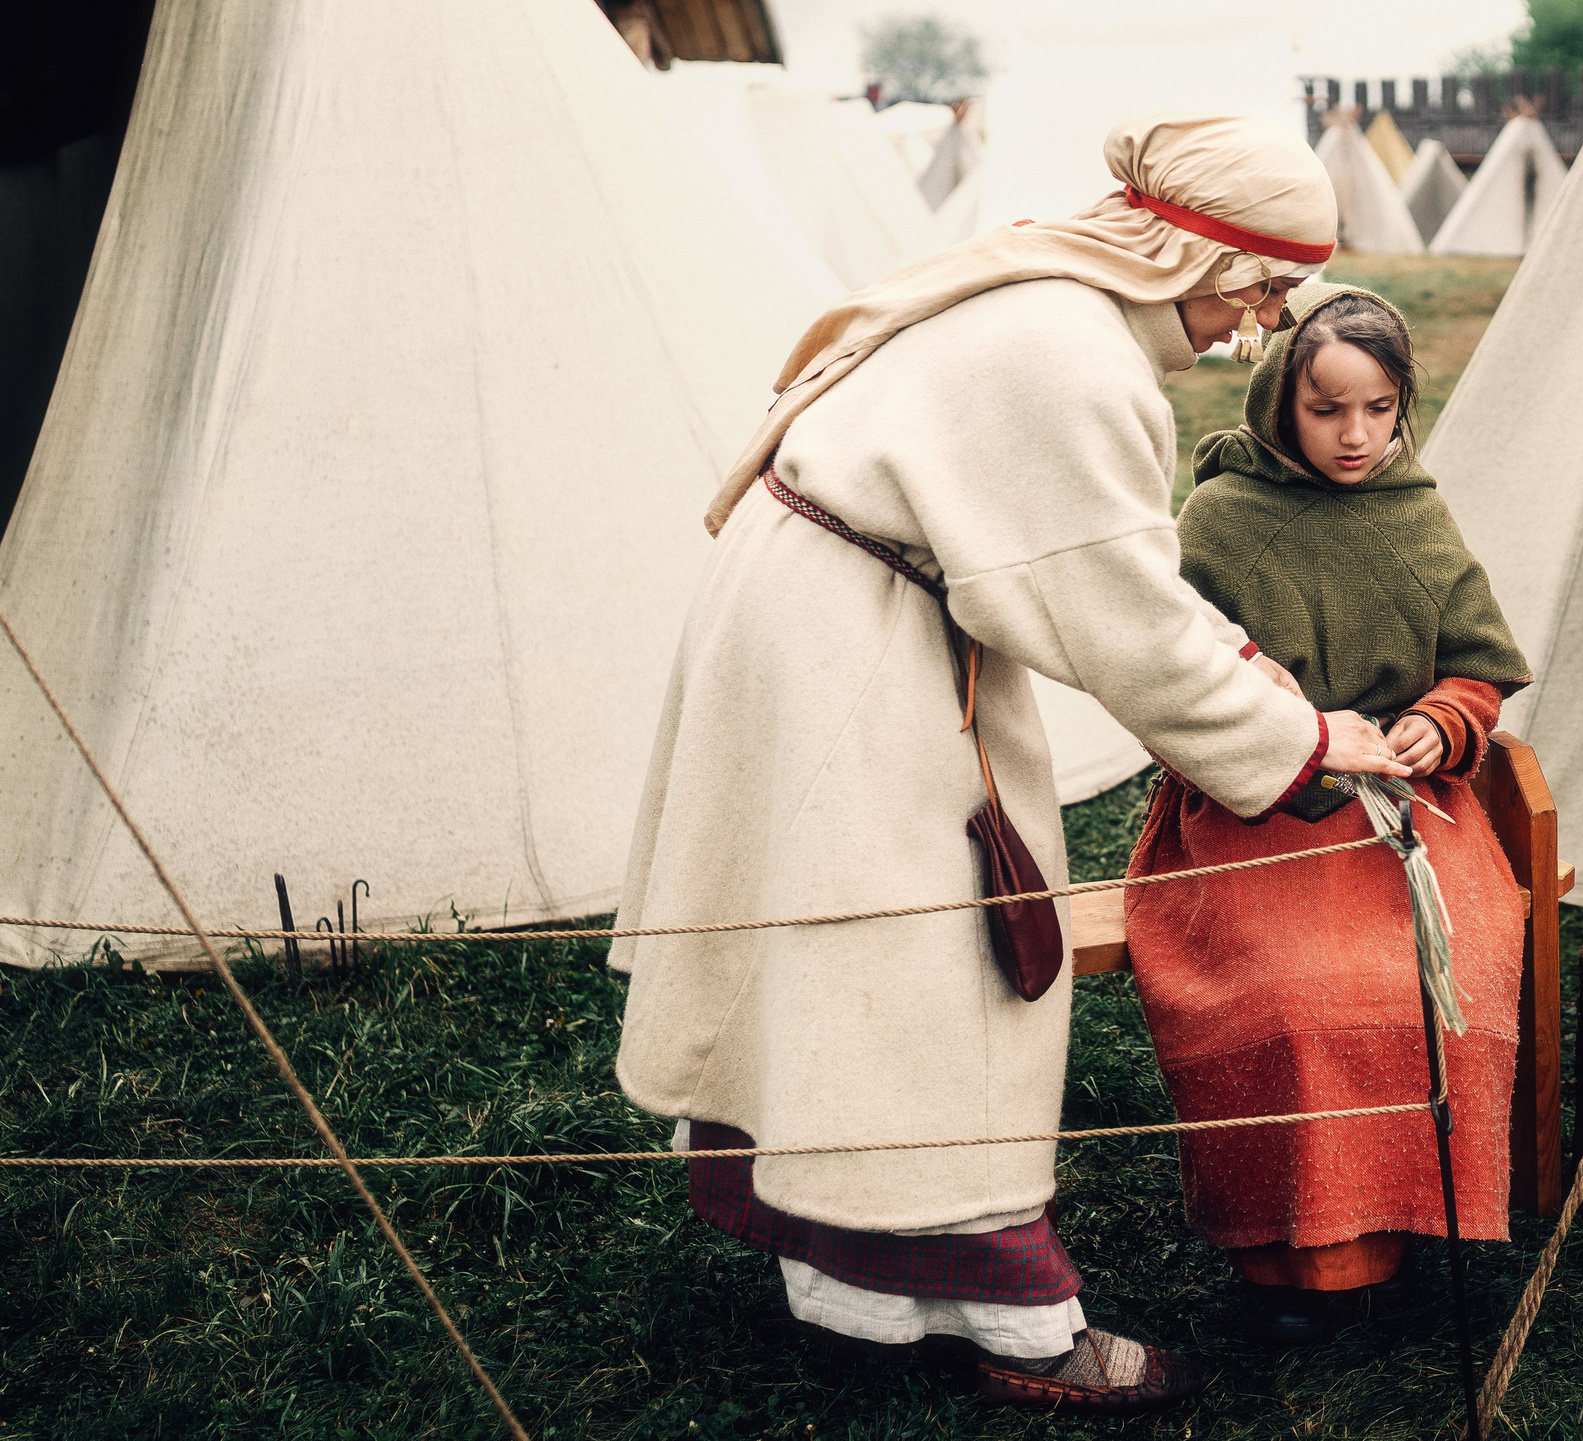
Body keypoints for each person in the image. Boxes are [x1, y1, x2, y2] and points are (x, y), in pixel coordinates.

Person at [607, 115, 1415, 1416]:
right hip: (848, 648)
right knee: (948, 970)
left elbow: (1105, 571)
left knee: (862, 957)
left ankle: (863, 1274)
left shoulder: (1047, 298)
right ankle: (1021, 1320)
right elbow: (1129, 631)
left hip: (832, 611)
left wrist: (1241, 655)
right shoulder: (1075, 360)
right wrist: (1309, 742)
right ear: (1187, 249)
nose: (1262, 325)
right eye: (1260, 286)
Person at [1123, 282, 1534, 1345]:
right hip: (1256, 809)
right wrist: (1290, 746)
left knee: (1453, 960)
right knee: (1293, 991)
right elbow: (1175, 685)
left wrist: (1443, 724)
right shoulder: (1220, 517)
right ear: (1279, 403)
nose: (1356, 436)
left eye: (1378, 409)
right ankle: (1293, 1256)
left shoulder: (1413, 511)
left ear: (1403, 406)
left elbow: (1477, 670)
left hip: (1405, 810)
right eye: (1327, 409)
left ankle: (1403, 1227)